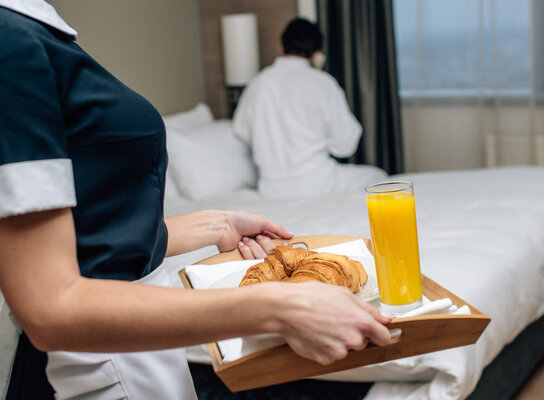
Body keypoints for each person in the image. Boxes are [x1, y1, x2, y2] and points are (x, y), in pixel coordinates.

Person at [0, 2, 392, 399]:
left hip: (138, 349)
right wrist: (277, 307)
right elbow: (50, 307)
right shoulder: (10, 39)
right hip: (99, 361)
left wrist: (217, 225)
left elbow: (98, 238)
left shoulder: (36, 31)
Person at [233, 18, 387, 199]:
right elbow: (346, 144)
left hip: (270, 188)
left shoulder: (257, 84)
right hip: (317, 182)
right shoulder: (323, 83)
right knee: (379, 178)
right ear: (316, 54)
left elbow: (241, 132)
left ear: (281, 46)